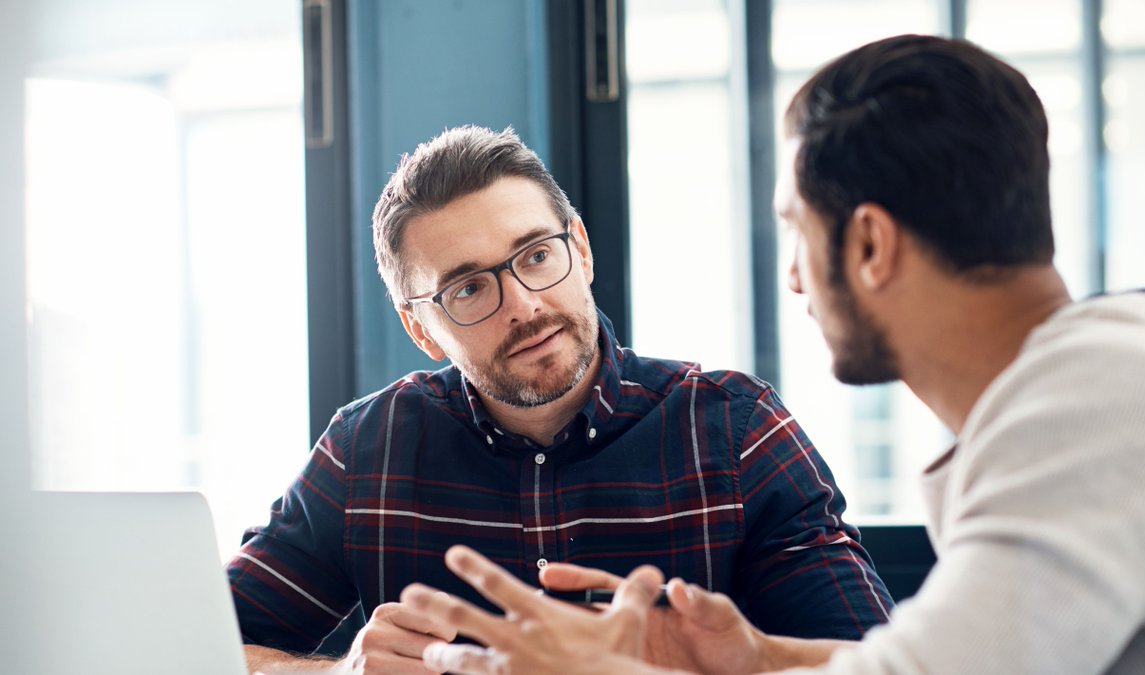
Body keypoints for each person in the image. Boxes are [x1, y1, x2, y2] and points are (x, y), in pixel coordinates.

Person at [401, 34, 1145, 675]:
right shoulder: (1099, 384)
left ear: (870, 245)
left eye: (796, 229)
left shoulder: (1097, 406)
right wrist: (756, 658)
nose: (791, 277)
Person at [228, 125, 893, 674]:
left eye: (537, 255)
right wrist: (336, 674)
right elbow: (192, 649)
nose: (524, 305)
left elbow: (876, 664)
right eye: (468, 289)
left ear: (580, 247)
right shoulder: (364, 452)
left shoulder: (737, 429)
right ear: (419, 327)